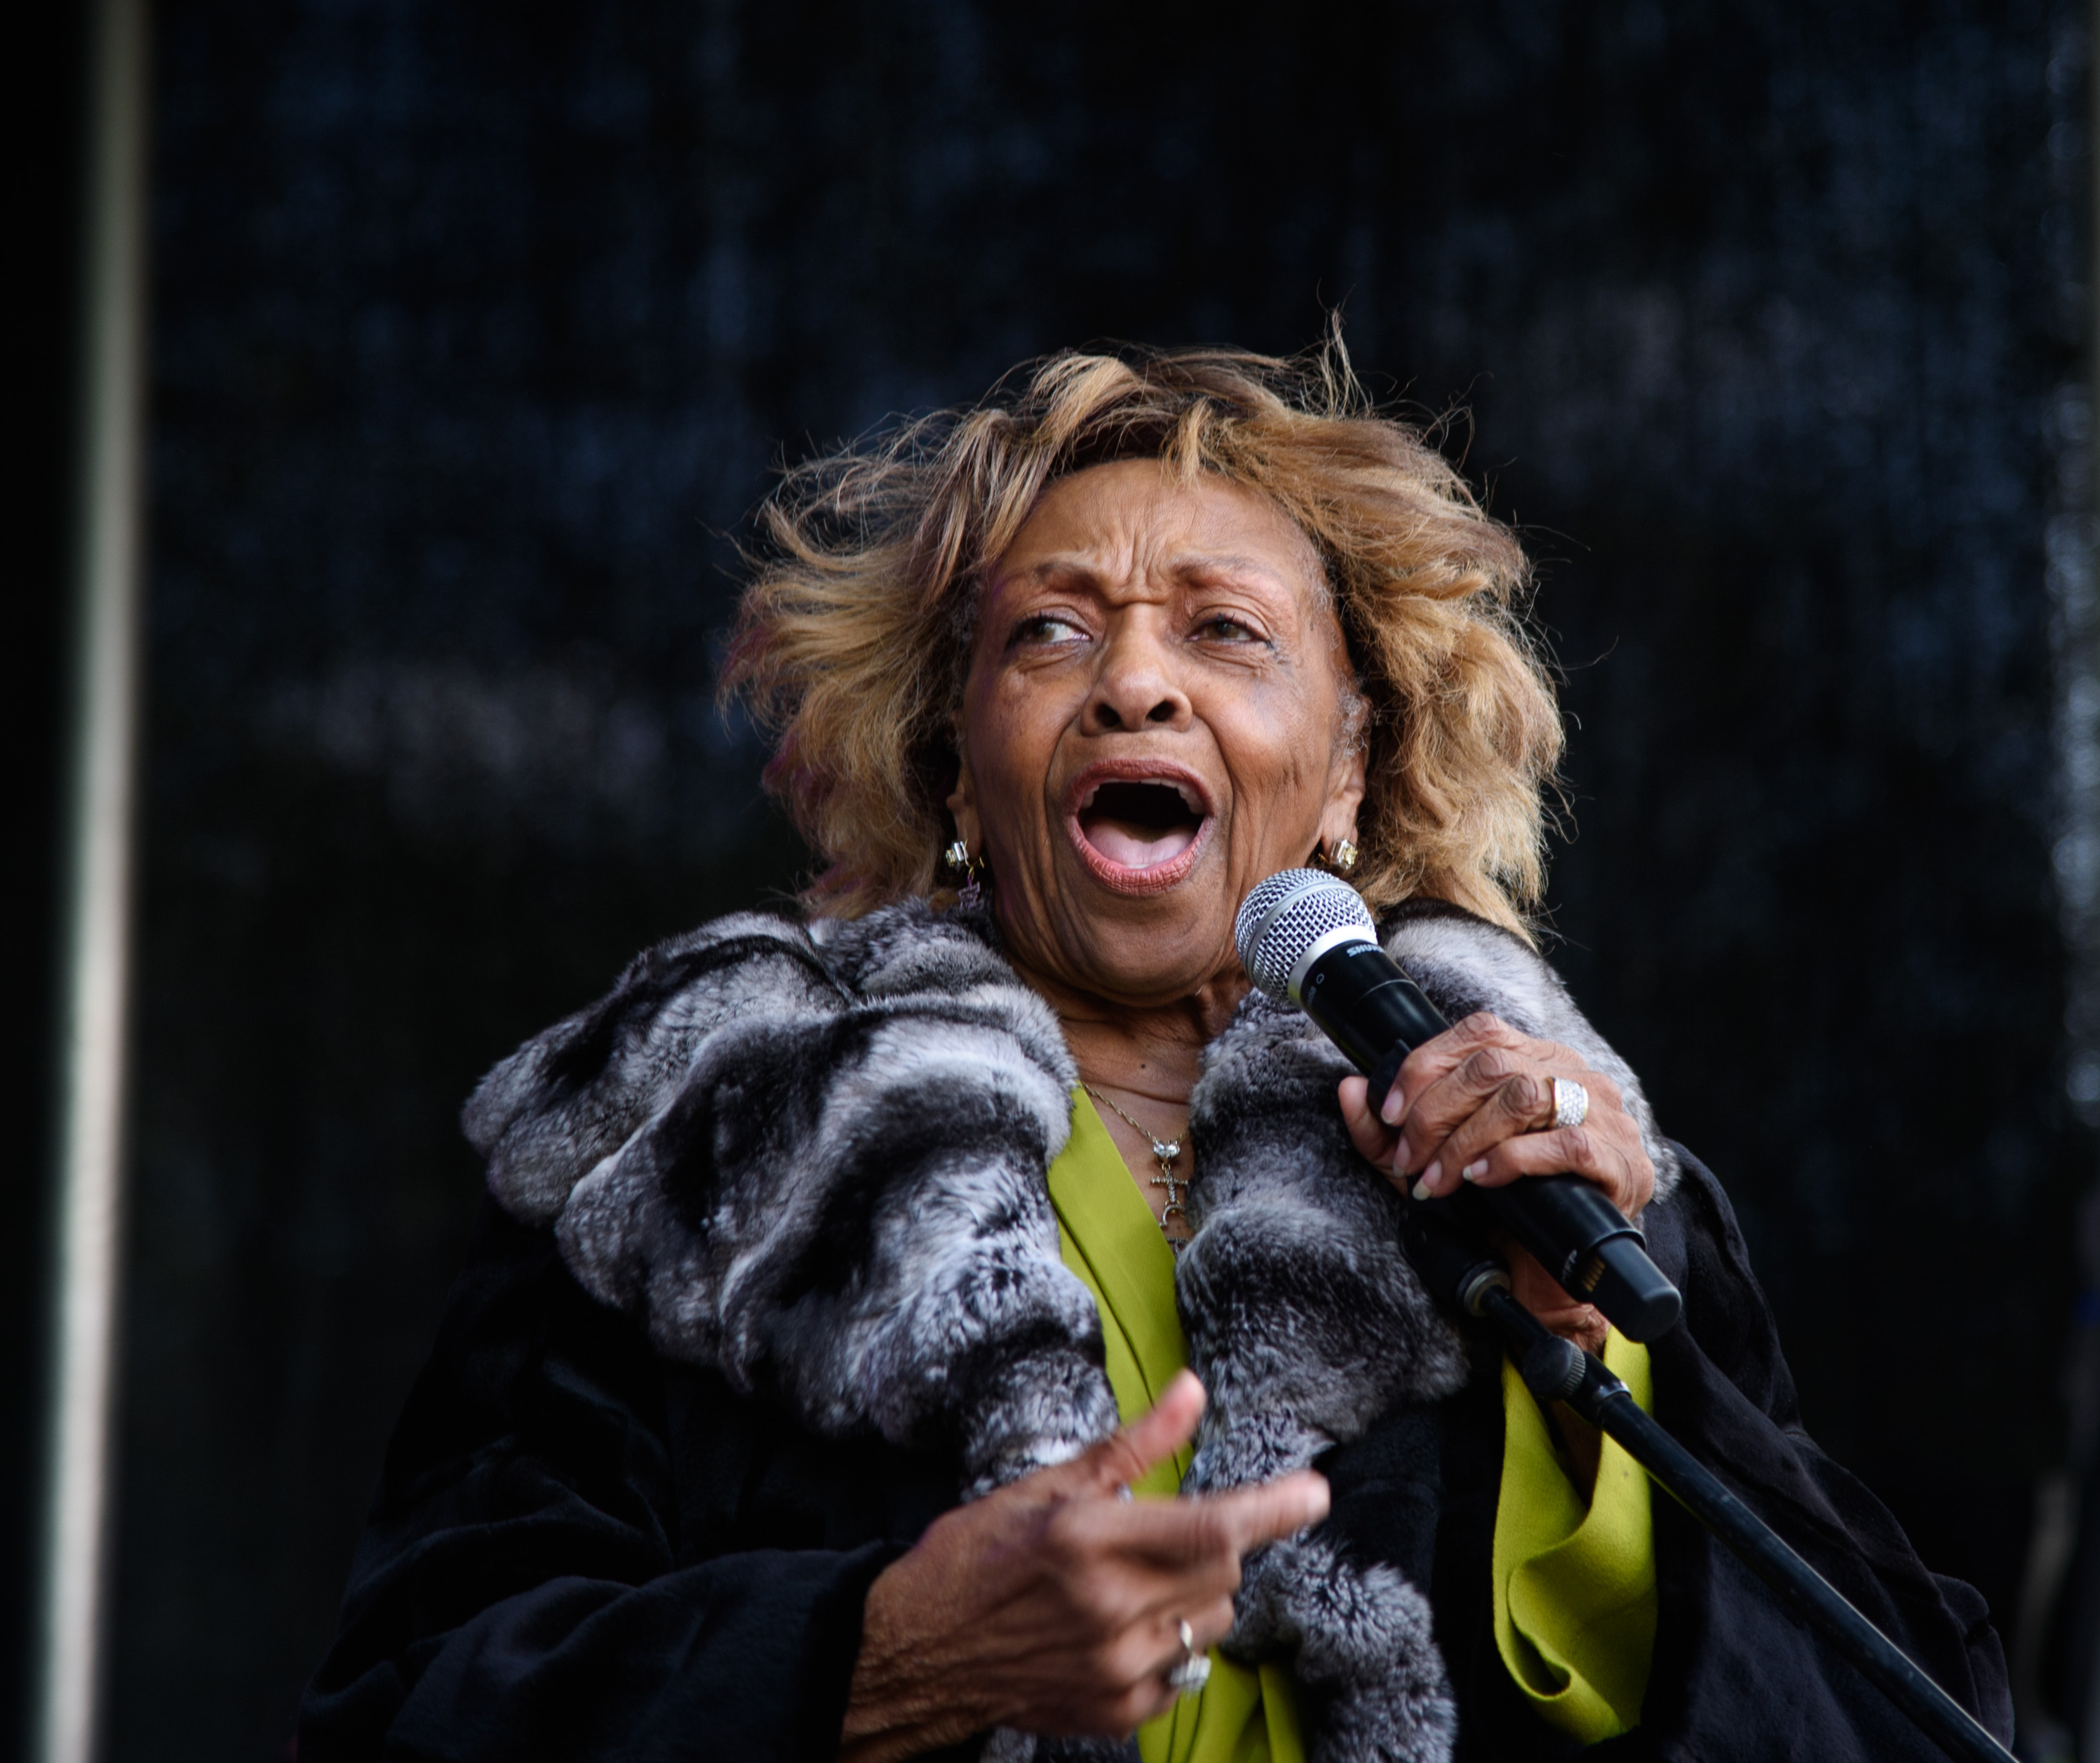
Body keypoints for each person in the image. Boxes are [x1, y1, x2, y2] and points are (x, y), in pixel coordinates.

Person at [300, 339, 2013, 1762]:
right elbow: (407, 1711)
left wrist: (1587, 1368)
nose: (1133, 681)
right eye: (1050, 632)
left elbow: (1910, 1716)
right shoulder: (695, 1140)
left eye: (1225, 630)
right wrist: (873, 1658)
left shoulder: (1576, 1189)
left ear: (1349, 769)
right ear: (959, 767)